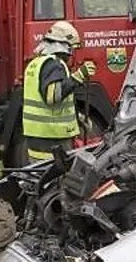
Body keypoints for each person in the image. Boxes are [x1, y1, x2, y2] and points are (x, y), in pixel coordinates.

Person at [21, 21, 95, 162]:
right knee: (55, 174)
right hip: (52, 138)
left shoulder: (36, 63)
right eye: (71, 49)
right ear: (63, 46)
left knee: (39, 173)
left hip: (37, 136)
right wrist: (78, 77)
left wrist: (77, 118)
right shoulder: (54, 64)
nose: (71, 55)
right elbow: (52, 96)